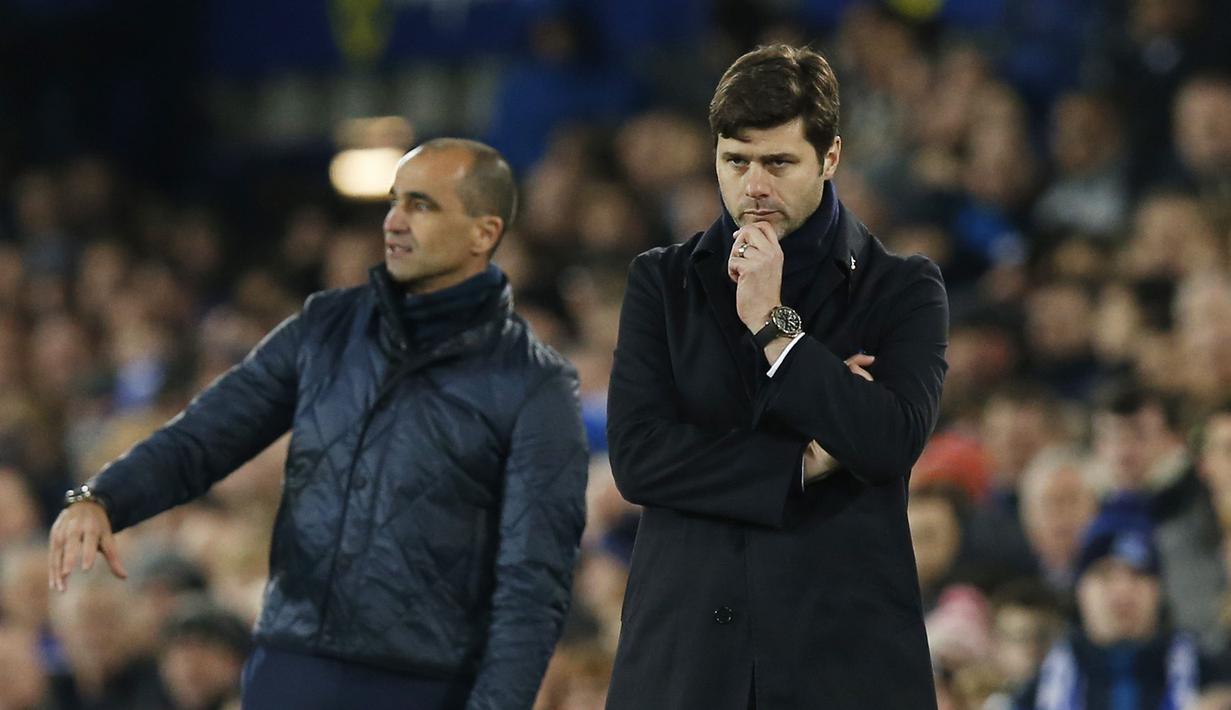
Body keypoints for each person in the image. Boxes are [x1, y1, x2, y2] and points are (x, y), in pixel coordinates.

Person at [46, 138, 590, 710]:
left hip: (426, 686)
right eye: (394, 202)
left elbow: (533, 581)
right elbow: (205, 436)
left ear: (484, 232)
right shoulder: (325, 328)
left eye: (422, 205)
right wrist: (102, 497)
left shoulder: (535, 386)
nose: (395, 222)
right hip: (291, 665)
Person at [605, 44, 949, 709]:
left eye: (778, 163)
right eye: (734, 161)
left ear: (829, 158)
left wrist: (774, 328)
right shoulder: (662, 282)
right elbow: (639, 458)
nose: (752, 186)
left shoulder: (901, 287)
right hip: (685, 666)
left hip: (840, 664)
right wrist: (801, 459)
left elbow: (886, 439)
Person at [1015, 495, 1229, 710]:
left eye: (1138, 574)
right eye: (1104, 575)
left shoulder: (1211, 678)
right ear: (1080, 589)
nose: (1122, 591)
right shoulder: (1039, 687)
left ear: (1160, 589)